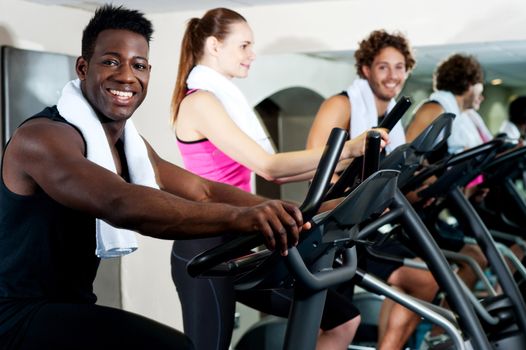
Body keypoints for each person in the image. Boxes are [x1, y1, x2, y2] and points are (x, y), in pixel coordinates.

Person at [0, 5, 310, 350]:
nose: (127, 76)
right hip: (16, 315)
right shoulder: (42, 138)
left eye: (139, 65)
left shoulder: (126, 144)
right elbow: (120, 202)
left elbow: (202, 190)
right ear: (83, 67)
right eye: (111, 62)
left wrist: (297, 211)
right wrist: (243, 218)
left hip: (70, 305)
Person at [169, 8, 388, 350]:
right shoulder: (200, 103)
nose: (251, 54)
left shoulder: (222, 99)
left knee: (343, 319)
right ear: (214, 45)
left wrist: (350, 164)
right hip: (205, 246)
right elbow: (269, 167)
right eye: (244, 46)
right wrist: (348, 148)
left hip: (239, 242)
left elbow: (281, 173)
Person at [306, 30, 439, 350]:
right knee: (333, 324)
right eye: (383, 67)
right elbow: (314, 165)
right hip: (331, 228)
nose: (392, 76)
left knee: (425, 283)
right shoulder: (342, 104)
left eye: (399, 67)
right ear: (366, 69)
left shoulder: (393, 115)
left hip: (365, 228)